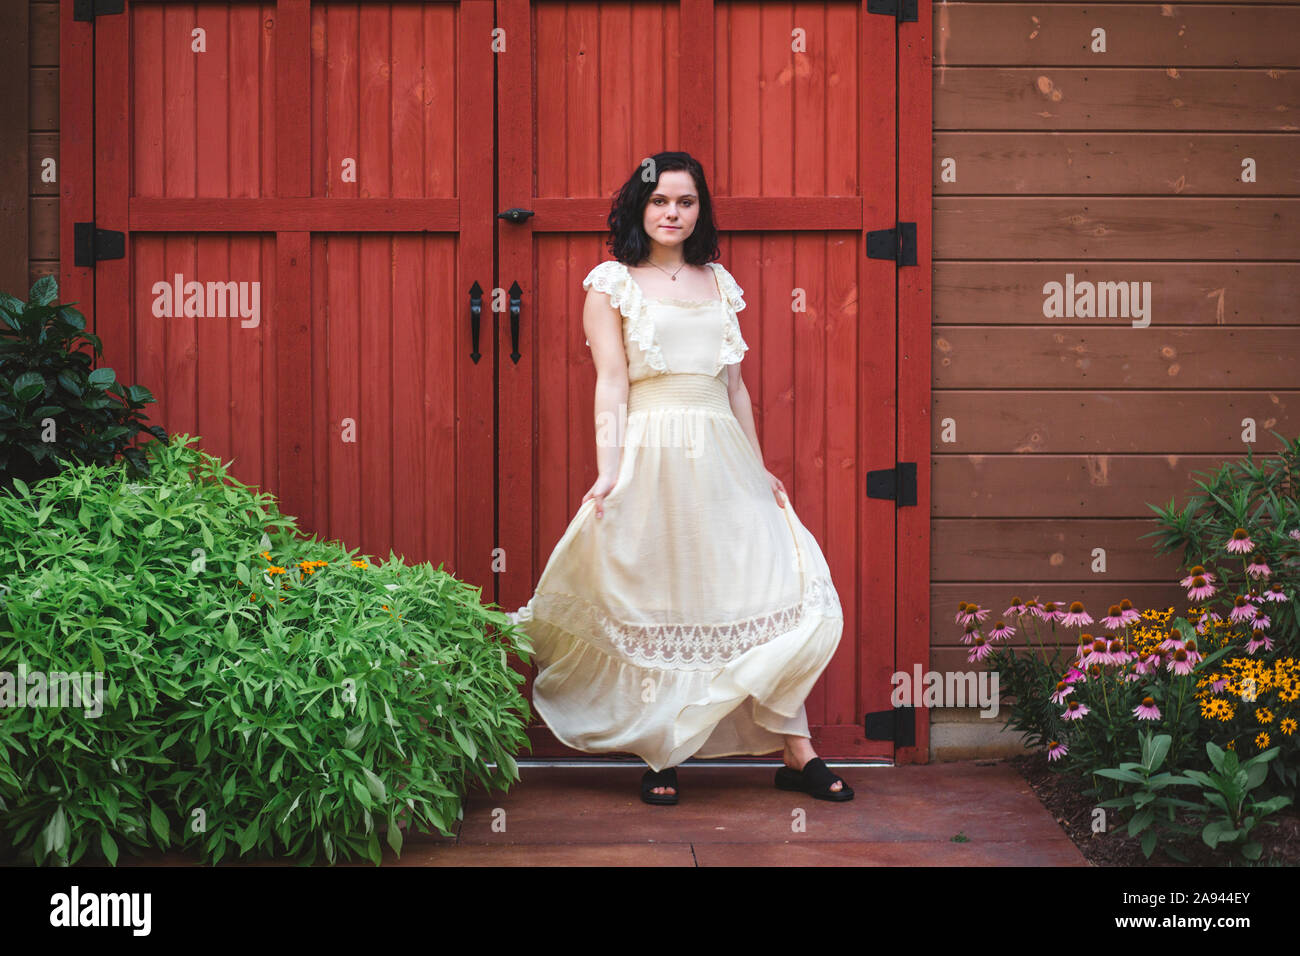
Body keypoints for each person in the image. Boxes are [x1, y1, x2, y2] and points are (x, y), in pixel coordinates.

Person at [507, 151, 852, 805]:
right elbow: (611, 383)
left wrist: (759, 467)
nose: (673, 213)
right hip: (651, 451)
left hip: (722, 454)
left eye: (686, 202)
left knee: (775, 585)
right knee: (662, 594)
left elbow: (737, 386)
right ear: (639, 207)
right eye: (661, 200)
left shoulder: (719, 281)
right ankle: (662, 750)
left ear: (701, 210)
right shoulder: (611, 282)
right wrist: (611, 470)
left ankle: (796, 751)